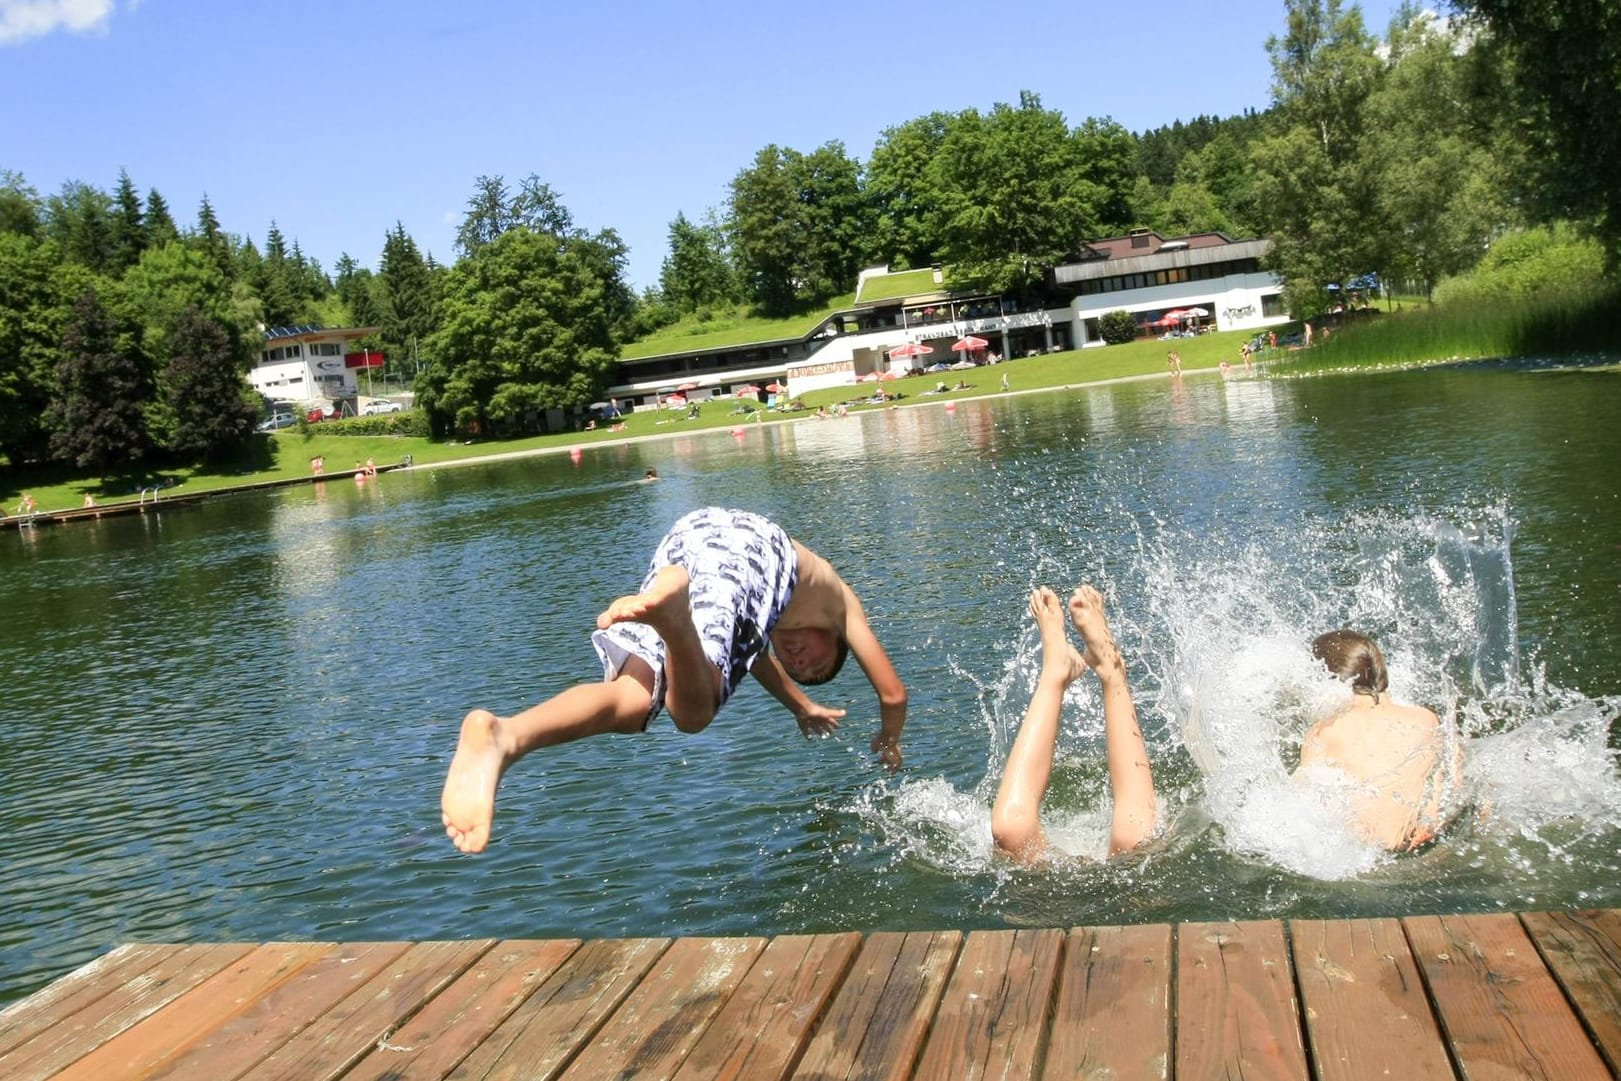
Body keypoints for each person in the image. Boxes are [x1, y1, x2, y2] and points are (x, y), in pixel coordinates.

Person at [440, 507, 909, 854]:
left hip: (689, 537)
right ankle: (674, 619)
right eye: (818, 665)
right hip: (752, 547)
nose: (801, 663)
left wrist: (801, 705)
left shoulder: (762, 615)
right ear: (837, 640)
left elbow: (750, 656)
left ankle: (507, 735)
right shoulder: (844, 608)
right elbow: (893, 692)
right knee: (693, 714)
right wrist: (889, 740)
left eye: (803, 672)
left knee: (633, 702)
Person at [990, 585, 1157, 863]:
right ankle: (1110, 670)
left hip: (1044, 899)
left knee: (1010, 828)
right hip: (1121, 898)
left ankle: (1056, 673)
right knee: (1137, 841)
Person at [1295, 630, 1463, 851]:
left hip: (1363, 851)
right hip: (1421, 840)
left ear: (1330, 680)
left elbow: (1301, 802)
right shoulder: (1427, 719)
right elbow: (1453, 785)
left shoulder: (1324, 732)